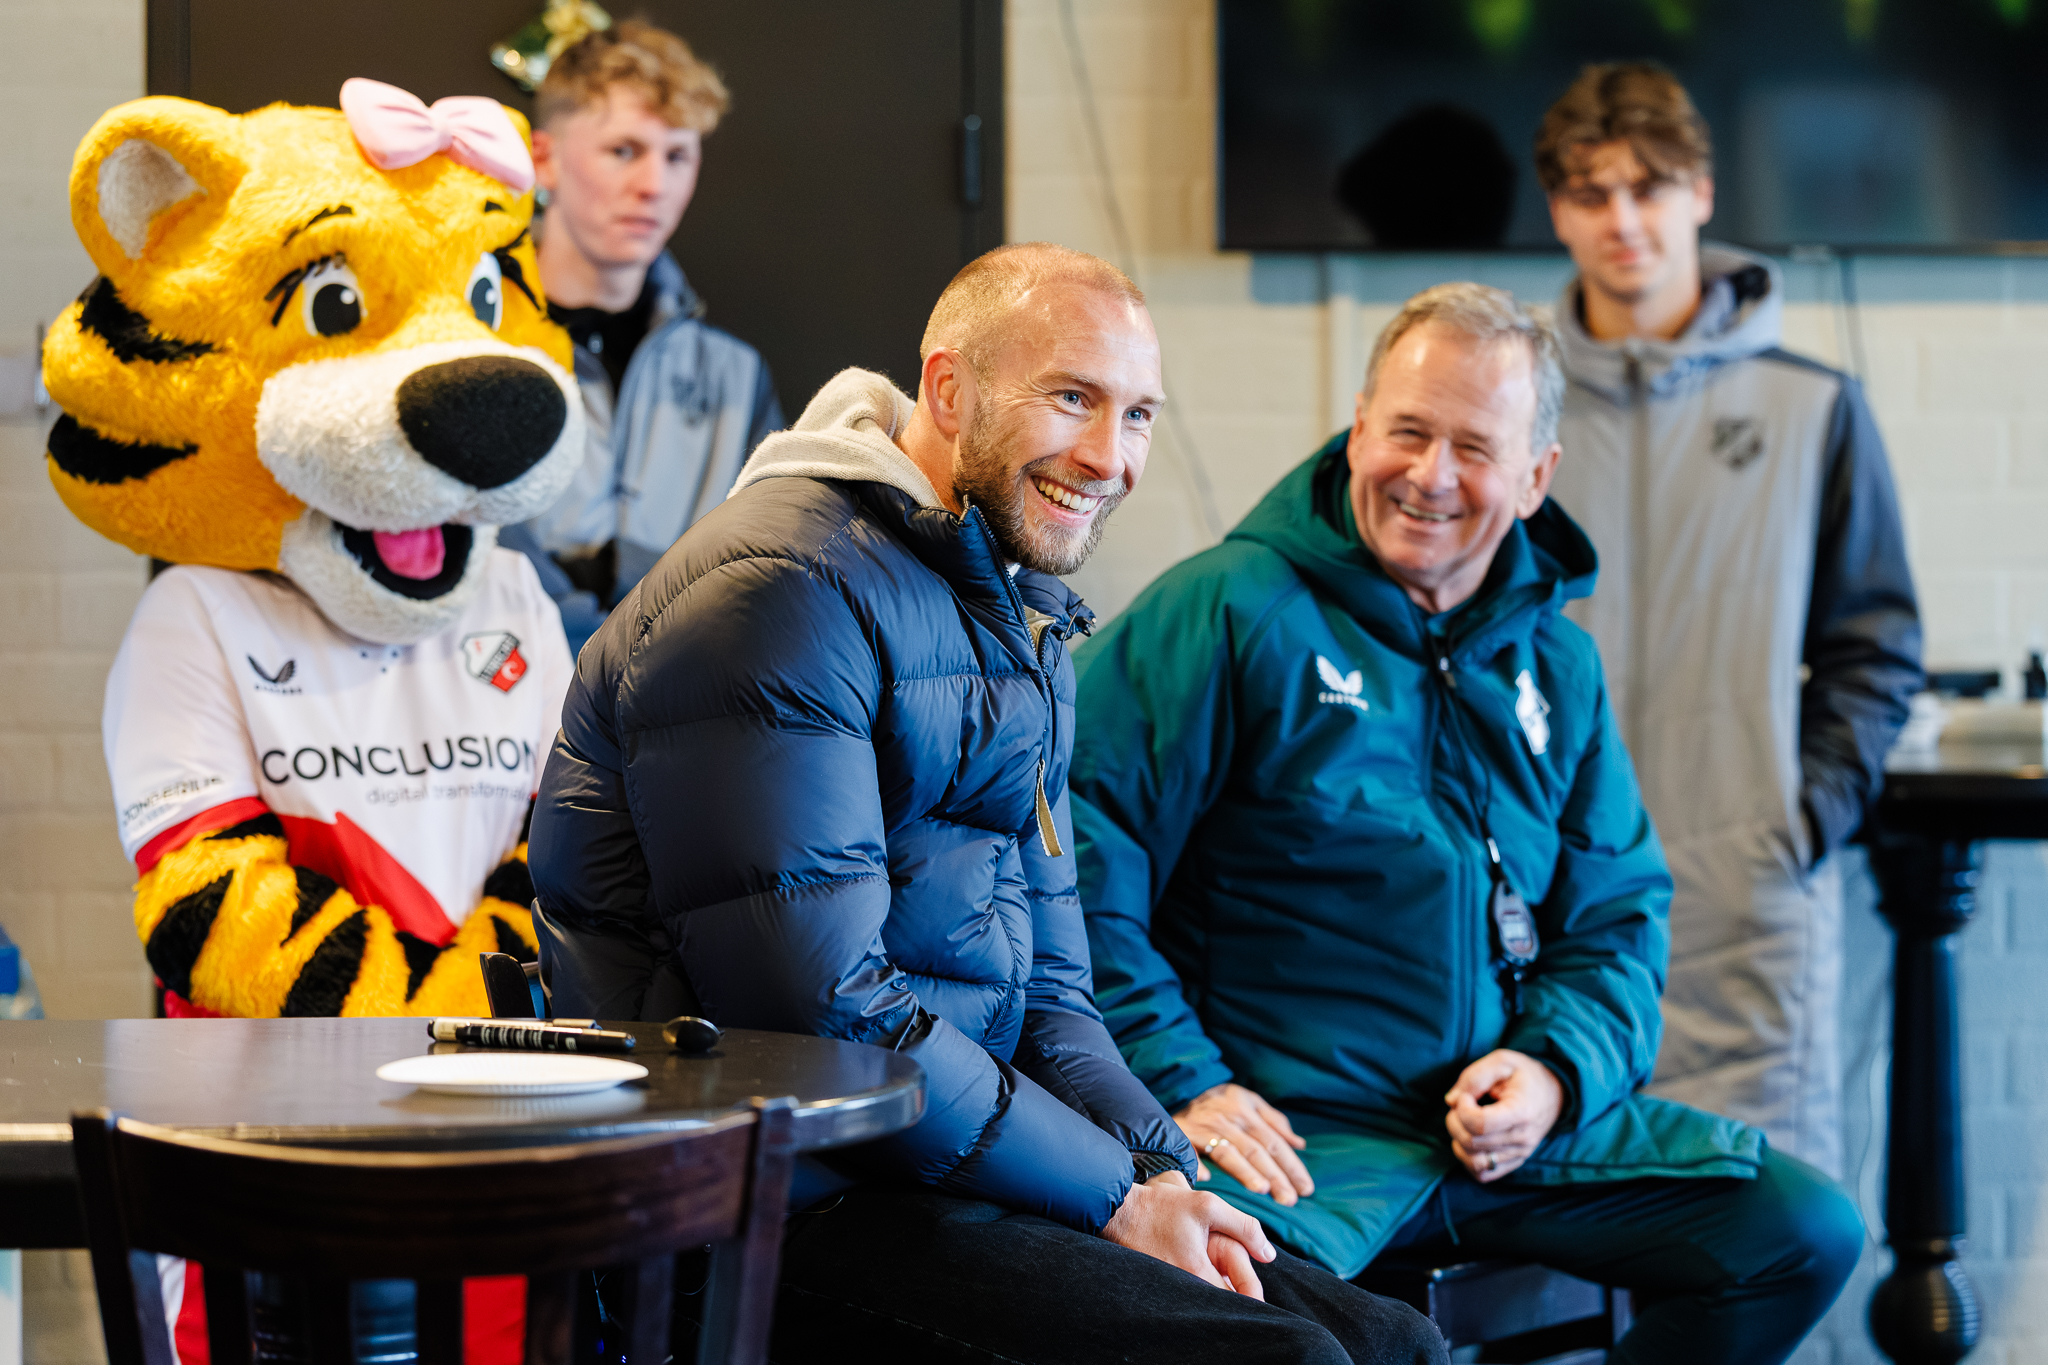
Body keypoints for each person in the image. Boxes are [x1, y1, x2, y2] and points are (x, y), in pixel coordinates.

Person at [526, 243, 1445, 1364]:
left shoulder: (1018, 614)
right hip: (767, 1203)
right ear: (951, 389)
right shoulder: (775, 593)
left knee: (1392, 1341)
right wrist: (1113, 1196)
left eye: (1138, 415)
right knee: (1283, 1359)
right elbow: (826, 1012)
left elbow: (1053, 992)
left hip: (946, 1164)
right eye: (1072, 399)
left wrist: (1157, 1172)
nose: (1109, 457)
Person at [1071, 284, 1864, 1365]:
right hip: (1295, 1145)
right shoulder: (1223, 611)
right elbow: (1069, 866)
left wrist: (1553, 1072)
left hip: (1507, 1142)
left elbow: (1616, 919)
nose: (1431, 475)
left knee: (1801, 1232)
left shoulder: (1559, 664)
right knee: (1325, 1340)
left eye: (1475, 448)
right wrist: (1182, 1081)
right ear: (1359, 428)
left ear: (1536, 476)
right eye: (1407, 431)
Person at [1537, 63, 1922, 1178]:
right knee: (1542, 1237)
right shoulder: (1513, 402)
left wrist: (1796, 823)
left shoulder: (1814, 405)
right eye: (1591, 193)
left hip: (1742, 903)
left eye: (1648, 188)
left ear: (1701, 193)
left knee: (1761, 1221)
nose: (1623, 221)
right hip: (1545, 902)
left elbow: (1874, 646)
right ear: (1558, 211)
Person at [503, 20, 783, 653]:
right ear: (544, 160)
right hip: (507, 689)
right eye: (624, 151)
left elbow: (763, 569)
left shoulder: (736, 377)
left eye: (677, 156)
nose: (654, 185)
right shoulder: (474, 348)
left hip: (687, 695)